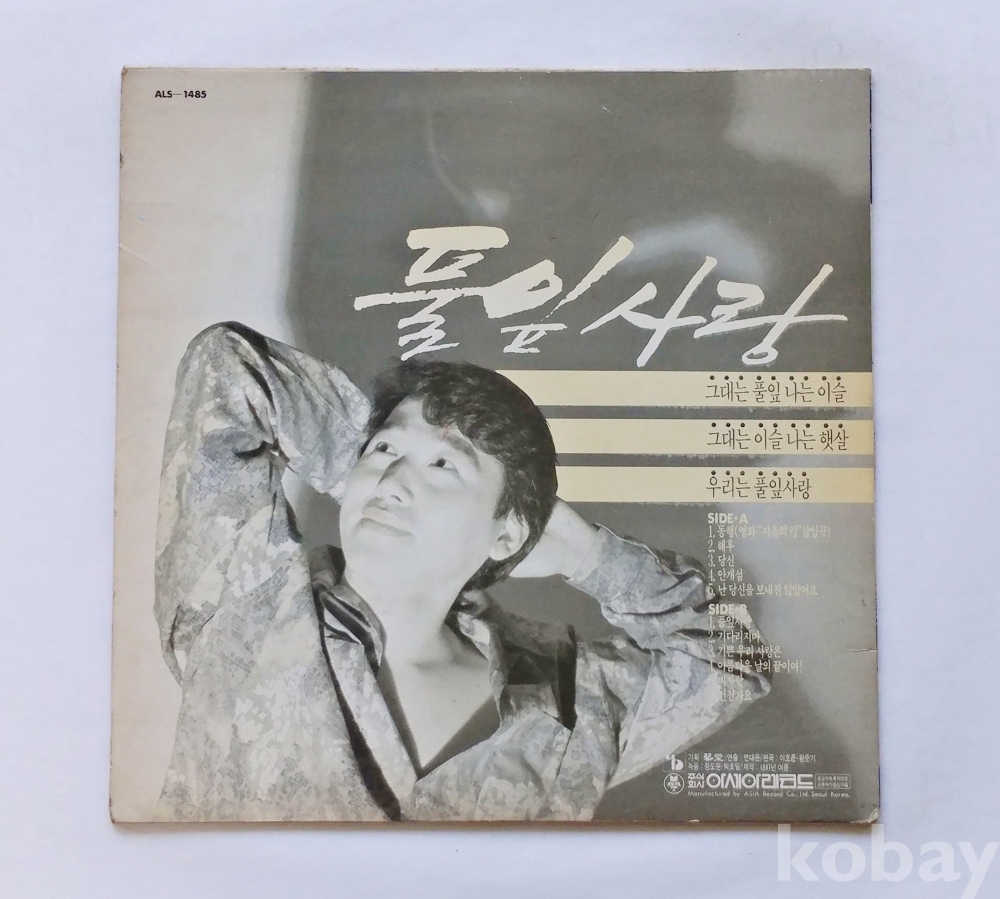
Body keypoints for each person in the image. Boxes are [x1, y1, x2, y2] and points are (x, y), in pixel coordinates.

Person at [154, 321, 769, 821]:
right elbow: (227, 363)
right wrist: (371, 478)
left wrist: (590, 556)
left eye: (444, 466)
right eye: (384, 450)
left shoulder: (567, 702)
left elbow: (732, 661)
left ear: (509, 534)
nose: (393, 481)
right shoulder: (245, 602)